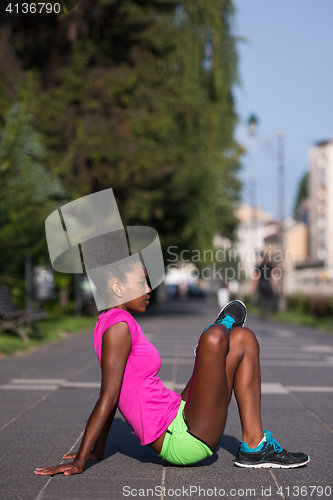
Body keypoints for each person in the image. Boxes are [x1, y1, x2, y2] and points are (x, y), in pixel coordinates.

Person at [33, 257, 309, 476]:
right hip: (181, 438)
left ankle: (254, 446)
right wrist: (81, 460)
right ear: (117, 288)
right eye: (141, 282)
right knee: (215, 338)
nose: (148, 289)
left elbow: (117, 392)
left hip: (178, 412)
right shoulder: (118, 327)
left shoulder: (111, 321)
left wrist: (98, 450)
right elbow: (109, 394)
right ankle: (212, 342)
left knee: (243, 340)